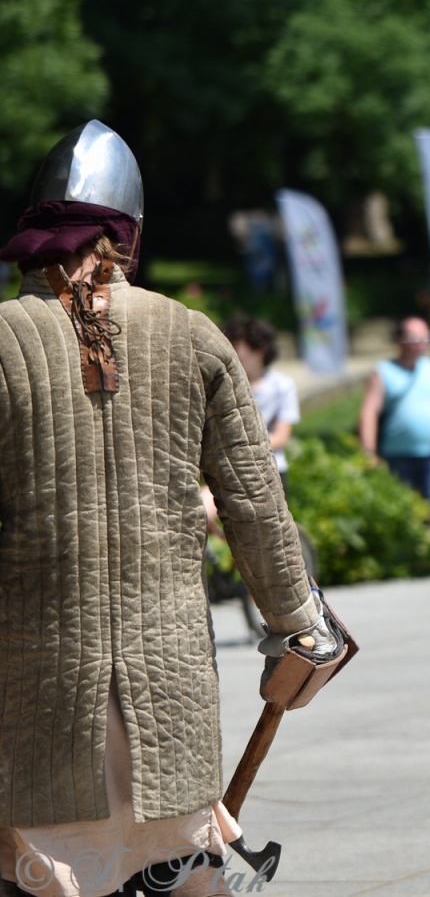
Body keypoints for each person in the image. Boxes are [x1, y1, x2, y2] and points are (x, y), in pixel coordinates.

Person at [0, 121, 339, 897]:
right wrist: (298, 621)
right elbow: (255, 502)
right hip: (168, 692)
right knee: (186, 872)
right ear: (130, 238)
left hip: (38, 690)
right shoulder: (193, 336)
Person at [358, 315, 430, 559]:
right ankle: (409, 558)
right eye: (413, 337)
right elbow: (369, 412)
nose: (420, 342)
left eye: (425, 337)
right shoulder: (383, 372)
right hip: (397, 456)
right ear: (399, 340)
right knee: (403, 511)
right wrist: (369, 451)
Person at [221, 314, 298, 478]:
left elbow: (281, 436)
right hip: (227, 468)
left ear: (260, 349)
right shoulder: (223, 386)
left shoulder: (282, 385)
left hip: (271, 467)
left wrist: (241, 448)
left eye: (237, 348)